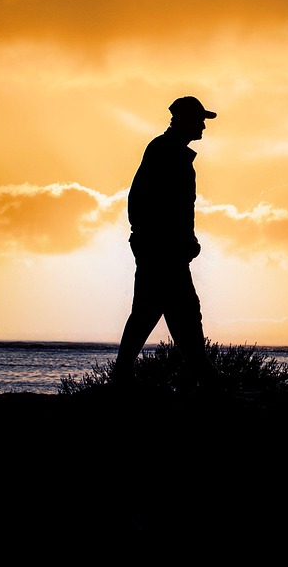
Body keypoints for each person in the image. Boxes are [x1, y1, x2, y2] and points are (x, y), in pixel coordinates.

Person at [114, 95, 221, 389]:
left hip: (163, 249)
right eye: (199, 119)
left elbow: (174, 207)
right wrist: (171, 241)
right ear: (185, 120)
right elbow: (156, 204)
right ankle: (206, 377)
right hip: (163, 251)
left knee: (161, 311)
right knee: (177, 311)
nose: (203, 126)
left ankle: (203, 375)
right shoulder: (165, 152)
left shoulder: (169, 152)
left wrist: (184, 239)